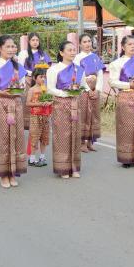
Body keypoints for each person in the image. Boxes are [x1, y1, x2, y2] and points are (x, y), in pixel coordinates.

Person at [0, 35, 27, 188]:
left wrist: (20, 90)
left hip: (15, 103)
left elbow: (22, 86)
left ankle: (13, 172)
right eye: (7, 46)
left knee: (16, 137)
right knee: (1, 137)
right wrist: (1, 93)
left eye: (13, 46)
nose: (11, 49)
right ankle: (3, 174)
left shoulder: (18, 66)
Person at [46, 40, 87, 179]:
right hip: (60, 104)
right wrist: (65, 93)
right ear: (61, 52)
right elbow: (50, 88)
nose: (73, 52)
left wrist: (84, 90)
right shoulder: (53, 69)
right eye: (69, 50)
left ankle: (74, 167)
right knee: (62, 135)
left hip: (75, 105)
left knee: (75, 134)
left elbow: (83, 85)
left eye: (74, 49)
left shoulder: (79, 69)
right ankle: (63, 167)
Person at [108, 35, 134, 169]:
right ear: (123, 47)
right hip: (125, 98)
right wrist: (129, 85)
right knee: (126, 127)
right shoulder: (117, 63)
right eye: (130, 44)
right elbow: (112, 81)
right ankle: (126, 158)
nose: (133, 46)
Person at [74, 33, 105, 152]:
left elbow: (100, 74)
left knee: (94, 115)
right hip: (84, 91)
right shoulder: (77, 58)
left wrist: (97, 89)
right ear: (80, 44)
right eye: (85, 42)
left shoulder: (95, 57)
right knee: (84, 115)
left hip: (95, 90)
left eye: (89, 41)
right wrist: (87, 89)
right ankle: (82, 142)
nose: (88, 44)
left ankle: (90, 141)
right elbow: (79, 75)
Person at [18, 33, 52, 130]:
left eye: (37, 40)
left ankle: (42, 120)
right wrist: (32, 73)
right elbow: (20, 68)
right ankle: (28, 123)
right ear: (29, 41)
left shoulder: (43, 54)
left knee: (41, 100)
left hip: (41, 81)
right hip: (28, 80)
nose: (35, 42)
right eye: (33, 40)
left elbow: (48, 67)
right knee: (28, 100)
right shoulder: (24, 53)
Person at [26, 64, 53, 167]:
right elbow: (28, 103)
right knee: (34, 136)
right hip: (35, 116)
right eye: (41, 77)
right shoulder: (32, 90)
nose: (43, 79)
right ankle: (32, 158)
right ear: (34, 78)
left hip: (46, 116)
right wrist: (39, 104)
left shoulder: (46, 89)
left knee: (44, 137)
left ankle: (42, 156)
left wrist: (49, 102)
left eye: (44, 77)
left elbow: (51, 99)